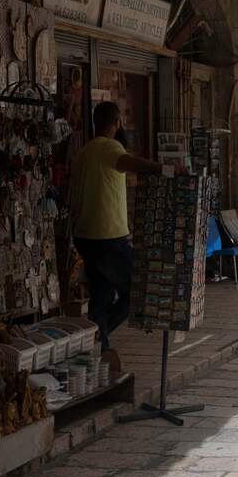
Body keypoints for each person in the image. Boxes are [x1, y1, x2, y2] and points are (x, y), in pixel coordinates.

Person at [69, 102, 163, 368]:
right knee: (138, 290)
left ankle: (100, 346)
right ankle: (98, 336)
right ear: (117, 122)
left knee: (102, 292)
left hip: (85, 236)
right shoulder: (110, 147)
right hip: (108, 237)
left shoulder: (84, 152)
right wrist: (161, 168)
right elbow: (127, 162)